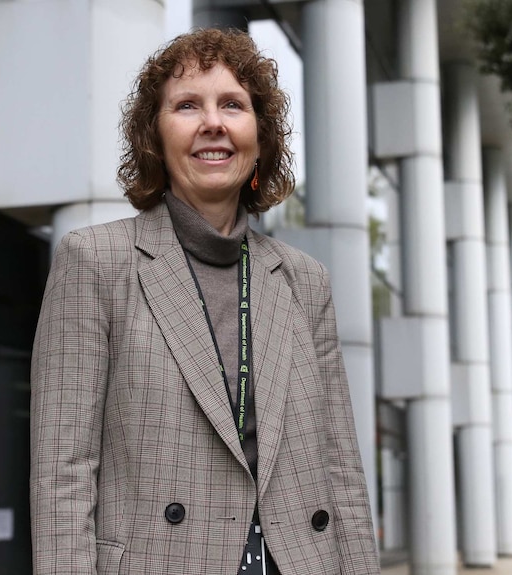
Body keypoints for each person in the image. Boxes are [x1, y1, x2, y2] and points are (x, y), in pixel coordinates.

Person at [30, 28, 379, 575]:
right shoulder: (94, 262)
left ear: (259, 139)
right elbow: (62, 471)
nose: (213, 122)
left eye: (233, 105)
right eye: (188, 104)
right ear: (155, 136)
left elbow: (341, 469)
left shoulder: (304, 281)